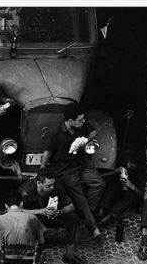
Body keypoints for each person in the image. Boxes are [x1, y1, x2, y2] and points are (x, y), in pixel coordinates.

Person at [40, 102, 105, 243]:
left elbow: (94, 131)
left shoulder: (81, 126)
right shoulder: (55, 133)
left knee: (99, 184)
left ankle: (87, 213)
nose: (83, 122)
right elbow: (46, 155)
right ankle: (93, 227)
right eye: (80, 120)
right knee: (79, 195)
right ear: (70, 121)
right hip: (64, 169)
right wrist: (42, 172)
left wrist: (86, 140)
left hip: (80, 163)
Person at [19, 168, 88, 264]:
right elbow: (16, 211)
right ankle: (29, 252)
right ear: (39, 183)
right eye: (48, 185)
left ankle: (70, 255)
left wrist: (59, 212)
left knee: (73, 218)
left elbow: (71, 206)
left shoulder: (56, 187)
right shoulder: (26, 190)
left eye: (53, 184)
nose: (52, 187)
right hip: (34, 220)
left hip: (52, 217)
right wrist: (40, 211)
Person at [0, 191, 45, 264]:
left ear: (6, 206)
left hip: (6, 263)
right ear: (21, 203)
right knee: (40, 240)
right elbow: (42, 241)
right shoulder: (32, 218)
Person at [97, 150, 147, 227]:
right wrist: (117, 172)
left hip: (133, 196)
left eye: (132, 165)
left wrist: (132, 186)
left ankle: (106, 219)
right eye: (129, 162)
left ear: (139, 166)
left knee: (130, 195)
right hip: (121, 190)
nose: (129, 166)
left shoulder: (145, 172)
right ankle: (100, 212)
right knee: (114, 185)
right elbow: (112, 173)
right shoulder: (127, 161)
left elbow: (143, 195)